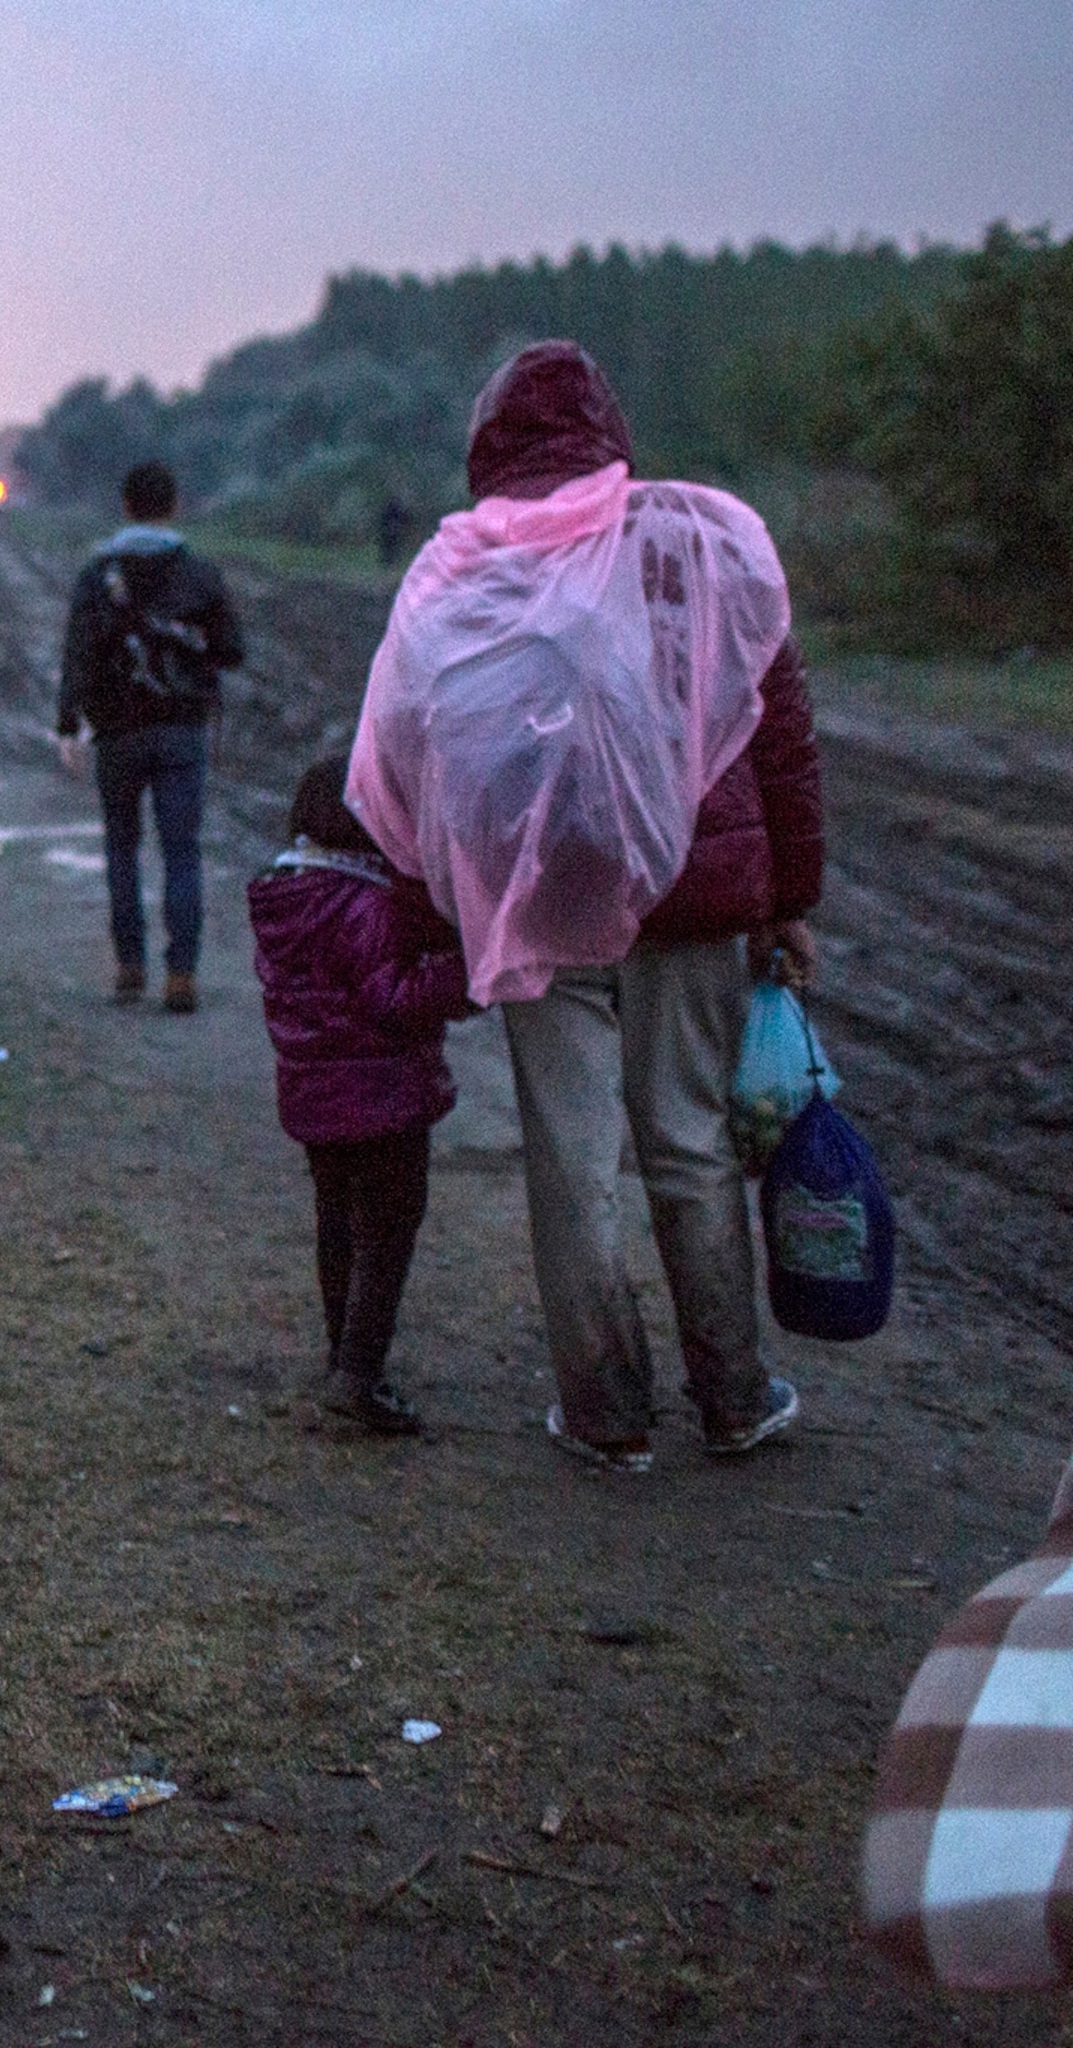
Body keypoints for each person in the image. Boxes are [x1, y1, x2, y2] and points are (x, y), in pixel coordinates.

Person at [346, 341, 822, 1475]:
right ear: (611, 431)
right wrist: (790, 896)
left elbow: (414, 750)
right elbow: (783, 729)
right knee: (694, 1144)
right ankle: (735, 1395)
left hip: (541, 905)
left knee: (571, 1161)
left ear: (487, 450)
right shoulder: (694, 548)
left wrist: (431, 915)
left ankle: (607, 1408)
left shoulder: (460, 576)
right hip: (694, 903)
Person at [249, 756, 477, 1436]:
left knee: (337, 1226)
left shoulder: (283, 896)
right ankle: (359, 1374)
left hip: (314, 1096)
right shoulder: (367, 903)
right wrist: (465, 977)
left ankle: (339, 1355)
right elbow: (395, 999)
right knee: (388, 1232)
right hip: (385, 1098)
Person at [57, 460, 245, 1013]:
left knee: (121, 848)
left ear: (125, 505)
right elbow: (232, 650)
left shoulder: (96, 575)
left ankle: (129, 968)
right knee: (182, 852)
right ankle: (181, 975)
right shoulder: (200, 574)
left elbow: (77, 653)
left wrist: (68, 722)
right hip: (182, 730)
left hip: (115, 733)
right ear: (174, 505)